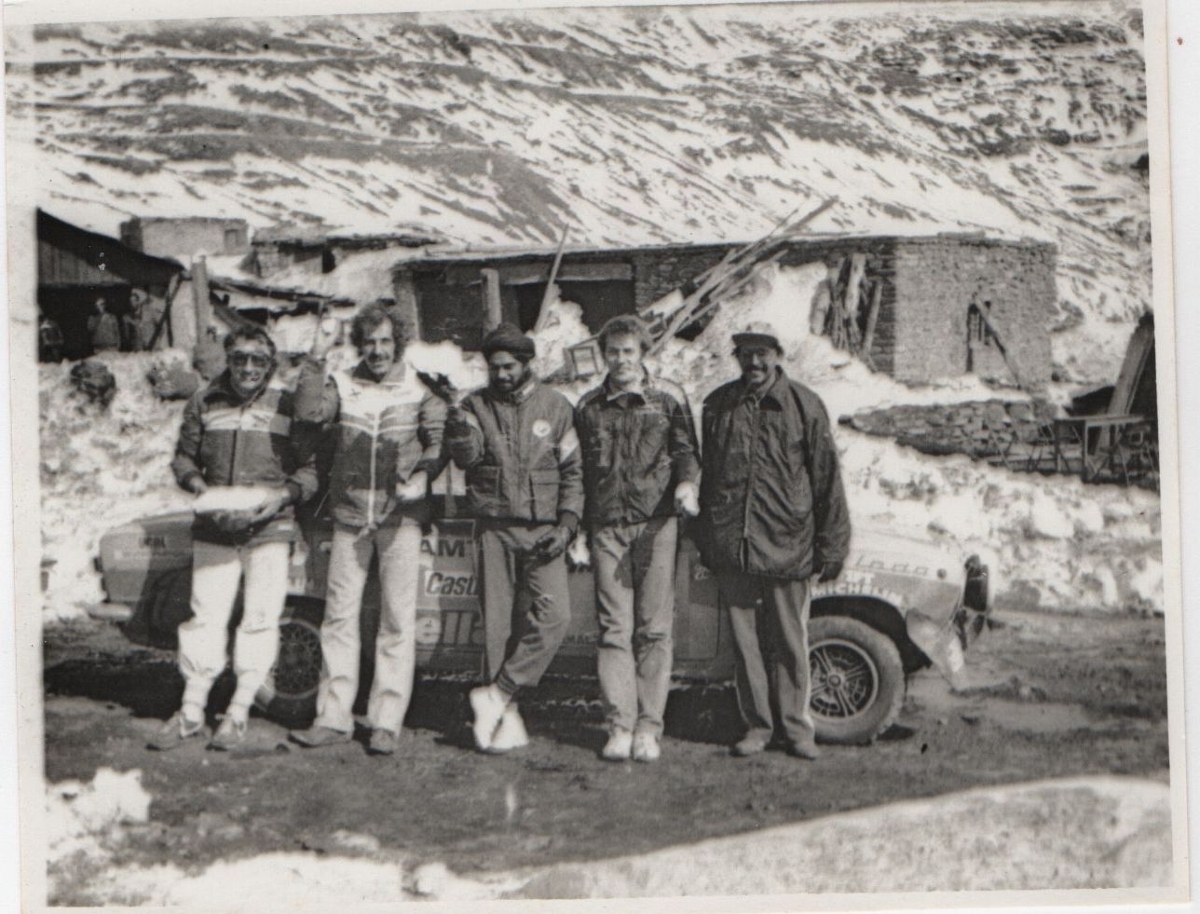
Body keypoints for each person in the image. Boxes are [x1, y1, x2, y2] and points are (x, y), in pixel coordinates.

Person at [288, 305, 447, 756]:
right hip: (350, 515)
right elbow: (308, 413)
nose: (378, 351)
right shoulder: (344, 384)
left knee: (396, 620)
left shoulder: (418, 387)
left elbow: (438, 441)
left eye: (385, 342)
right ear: (360, 345)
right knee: (339, 618)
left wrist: (424, 475)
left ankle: (386, 721)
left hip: (401, 518)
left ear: (398, 344)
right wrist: (316, 358)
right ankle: (332, 718)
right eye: (370, 342)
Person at [151, 325, 317, 751]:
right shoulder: (204, 401)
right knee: (205, 617)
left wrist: (282, 496)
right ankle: (191, 711)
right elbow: (184, 458)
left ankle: (238, 713)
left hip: (269, 528)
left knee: (260, 619)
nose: (248, 367)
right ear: (228, 359)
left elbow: (309, 469)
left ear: (270, 364)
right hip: (216, 525)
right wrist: (199, 489)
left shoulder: (286, 405)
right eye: (240, 357)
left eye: (258, 360)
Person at [699, 322, 851, 760]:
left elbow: (827, 480)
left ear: (778, 356)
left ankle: (796, 728)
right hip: (736, 545)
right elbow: (709, 477)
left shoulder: (804, 405)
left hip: (788, 543)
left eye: (762, 353)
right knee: (746, 645)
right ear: (737, 358)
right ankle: (758, 726)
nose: (754, 362)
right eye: (746, 353)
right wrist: (709, 537)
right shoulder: (718, 405)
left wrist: (833, 545)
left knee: (789, 641)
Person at [445, 322, 583, 753]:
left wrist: (566, 525)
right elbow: (467, 458)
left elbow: (573, 473)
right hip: (494, 529)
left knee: (555, 617)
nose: (501, 374)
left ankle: (497, 694)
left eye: (509, 366)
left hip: (544, 532)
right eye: (494, 368)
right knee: (498, 630)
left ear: (526, 364)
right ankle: (503, 720)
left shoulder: (557, 407)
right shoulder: (474, 405)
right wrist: (457, 428)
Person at [574, 315, 700, 762]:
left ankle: (648, 727)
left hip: (656, 524)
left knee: (654, 628)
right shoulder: (589, 406)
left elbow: (686, 451)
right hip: (607, 526)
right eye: (613, 351)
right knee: (614, 629)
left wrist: (687, 484)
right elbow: (579, 471)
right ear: (603, 356)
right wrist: (578, 529)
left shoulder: (666, 399)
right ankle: (619, 726)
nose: (621, 360)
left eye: (629, 351)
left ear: (643, 353)